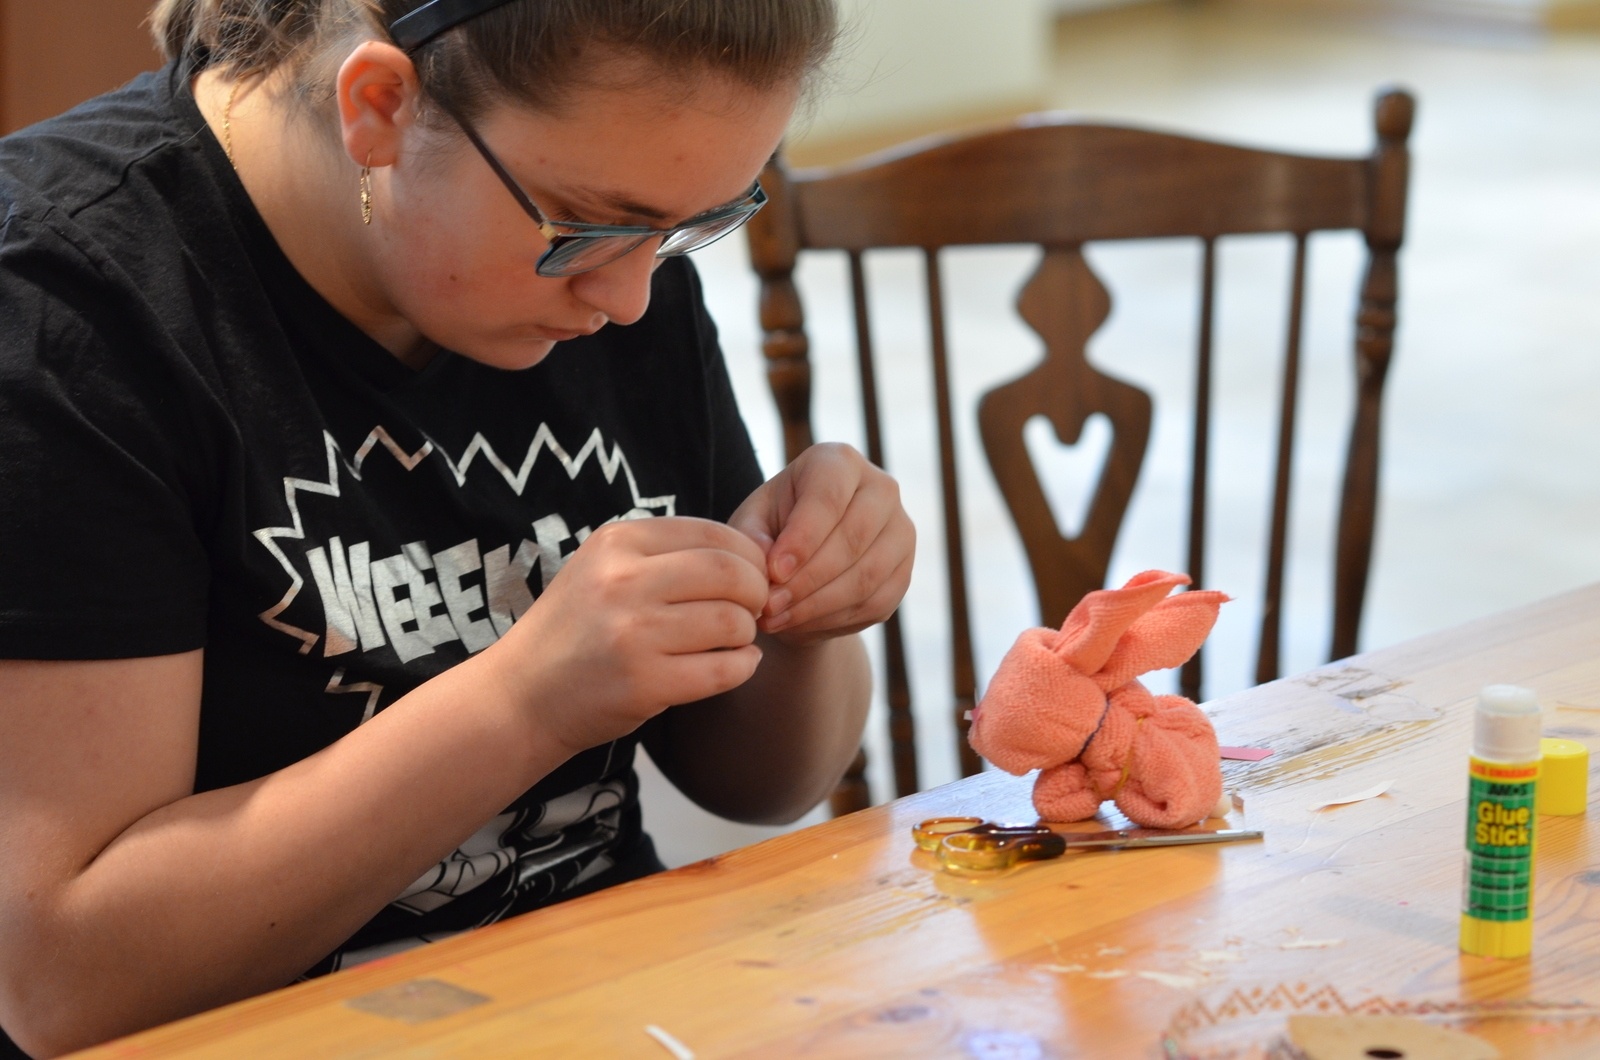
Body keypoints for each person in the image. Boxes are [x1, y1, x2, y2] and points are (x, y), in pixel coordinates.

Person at [0, 0, 913, 1054]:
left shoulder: (618, 261)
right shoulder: (65, 306)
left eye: (688, 228)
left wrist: (806, 614)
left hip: (605, 997)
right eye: (584, 227)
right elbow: (62, 983)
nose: (628, 298)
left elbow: (761, 784)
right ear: (379, 107)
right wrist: (526, 702)